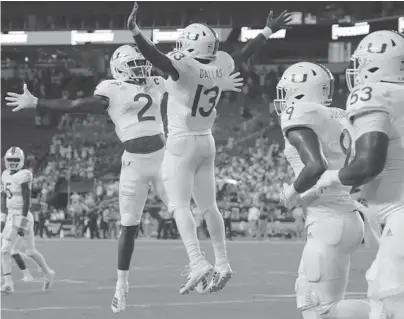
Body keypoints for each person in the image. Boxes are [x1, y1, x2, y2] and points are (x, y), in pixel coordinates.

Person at [127, 1, 292, 295]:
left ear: (190, 47)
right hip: (207, 141)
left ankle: (197, 262)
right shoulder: (220, 64)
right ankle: (223, 262)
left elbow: (159, 59)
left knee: (178, 205)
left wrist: (136, 33)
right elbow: (243, 55)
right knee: (209, 207)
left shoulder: (184, 66)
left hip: (181, 143)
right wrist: (267, 30)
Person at [6, 45, 168, 313]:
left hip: (159, 156)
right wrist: (37, 102)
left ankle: (202, 263)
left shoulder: (155, 83)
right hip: (134, 161)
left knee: (182, 209)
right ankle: (121, 286)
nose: (141, 69)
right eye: (134, 65)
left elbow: (182, 82)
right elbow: (74, 105)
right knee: (129, 224)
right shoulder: (115, 89)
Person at [316, 30, 404, 319]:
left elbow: (368, 164)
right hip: (392, 215)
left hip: (400, 216)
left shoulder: (374, 94)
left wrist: (332, 178)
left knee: (389, 304)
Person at [275, 62, 370, 319]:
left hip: (328, 219)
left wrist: (291, 194)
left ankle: (390, 311)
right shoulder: (339, 115)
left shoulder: (300, 112)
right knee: (315, 302)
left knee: (319, 308)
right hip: (344, 216)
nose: (283, 99)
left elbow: (316, 166)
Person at [1, 147, 55, 294]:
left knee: (6, 250)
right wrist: (2, 217)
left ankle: (8, 284)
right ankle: (48, 273)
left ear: (21, 161)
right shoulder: (5, 174)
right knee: (29, 251)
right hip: (11, 216)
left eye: (15, 160)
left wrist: (23, 221)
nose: (12, 163)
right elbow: (4, 197)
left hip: (22, 216)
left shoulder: (24, 175)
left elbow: (27, 201)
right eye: (10, 160)